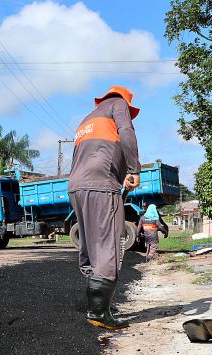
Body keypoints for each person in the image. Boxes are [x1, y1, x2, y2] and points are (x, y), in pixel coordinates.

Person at [68, 86, 141, 330]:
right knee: (109, 245)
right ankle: (98, 312)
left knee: (90, 247)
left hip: (76, 186)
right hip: (101, 184)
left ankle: (97, 308)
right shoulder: (118, 105)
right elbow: (127, 132)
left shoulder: (87, 118)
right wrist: (134, 169)